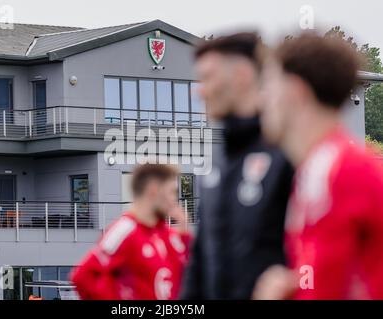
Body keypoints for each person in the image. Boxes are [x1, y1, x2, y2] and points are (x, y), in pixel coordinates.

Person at [253, 33, 383, 300]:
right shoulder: (314, 171)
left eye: (268, 85)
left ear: (296, 91)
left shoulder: (347, 172)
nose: (260, 100)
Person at [180, 33, 294, 300]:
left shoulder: (287, 154)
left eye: (208, 77)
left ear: (242, 75)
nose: (198, 90)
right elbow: (200, 262)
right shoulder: (218, 160)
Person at [71, 164, 191, 300]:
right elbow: (83, 277)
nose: (174, 200)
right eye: (172, 192)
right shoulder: (125, 229)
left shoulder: (164, 233)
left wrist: (184, 235)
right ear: (154, 190)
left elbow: (181, 277)